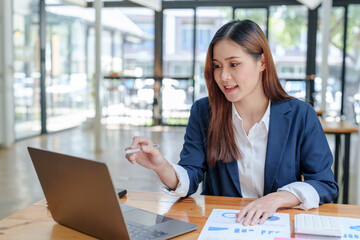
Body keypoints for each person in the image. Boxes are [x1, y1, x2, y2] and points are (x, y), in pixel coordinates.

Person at [125, 19, 338, 226]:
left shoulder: (300, 115)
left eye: (234, 64)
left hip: (278, 226)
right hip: (222, 226)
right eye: (217, 66)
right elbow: (190, 176)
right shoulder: (204, 112)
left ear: (261, 62)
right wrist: (161, 166)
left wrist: (277, 198)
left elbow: (324, 184)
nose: (223, 76)